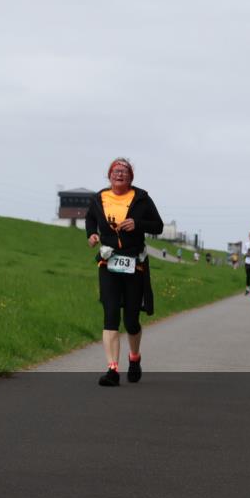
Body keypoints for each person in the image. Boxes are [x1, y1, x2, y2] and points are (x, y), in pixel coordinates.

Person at [86, 158, 164, 387]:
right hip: (108, 263)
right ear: (109, 175)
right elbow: (90, 218)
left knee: (131, 319)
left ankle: (134, 358)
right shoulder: (99, 198)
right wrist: (91, 234)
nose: (119, 175)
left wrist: (137, 223)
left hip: (134, 263)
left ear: (131, 177)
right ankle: (112, 369)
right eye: (115, 171)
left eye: (124, 172)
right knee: (110, 314)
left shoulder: (141, 198)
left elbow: (157, 226)